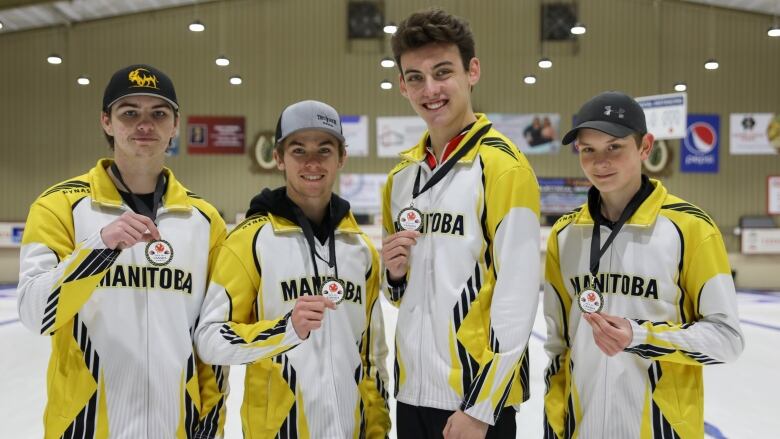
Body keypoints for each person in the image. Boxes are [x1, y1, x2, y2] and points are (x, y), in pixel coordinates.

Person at [17, 64, 227, 438]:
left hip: (175, 428)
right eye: (129, 112)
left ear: (175, 125)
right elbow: (36, 314)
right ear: (107, 122)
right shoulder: (58, 206)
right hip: (84, 429)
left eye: (158, 113)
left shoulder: (206, 221)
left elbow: (212, 339)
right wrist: (99, 247)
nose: (144, 124)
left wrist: (210, 427)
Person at [542, 91, 744, 438]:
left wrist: (639, 336)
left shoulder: (691, 228)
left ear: (645, 148)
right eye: (588, 149)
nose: (599, 161)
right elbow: (559, 347)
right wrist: (554, 427)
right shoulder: (564, 235)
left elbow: (727, 339)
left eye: (614, 147)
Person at [381, 8, 541, 439]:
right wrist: (394, 274)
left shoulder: (503, 169)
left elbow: (519, 297)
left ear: (472, 71)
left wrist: (482, 406)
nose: (429, 89)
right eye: (415, 77)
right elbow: (400, 295)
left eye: (442, 72)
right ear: (402, 86)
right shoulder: (401, 179)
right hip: (412, 393)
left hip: (474, 404)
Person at [195, 100, 390, 438]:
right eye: (298, 150)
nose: (312, 162)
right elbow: (209, 339)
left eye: (324, 150)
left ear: (341, 157)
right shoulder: (250, 241)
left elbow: (372, 358)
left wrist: (377, 431)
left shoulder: (359, 249)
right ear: (278, 158)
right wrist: (286, 331)